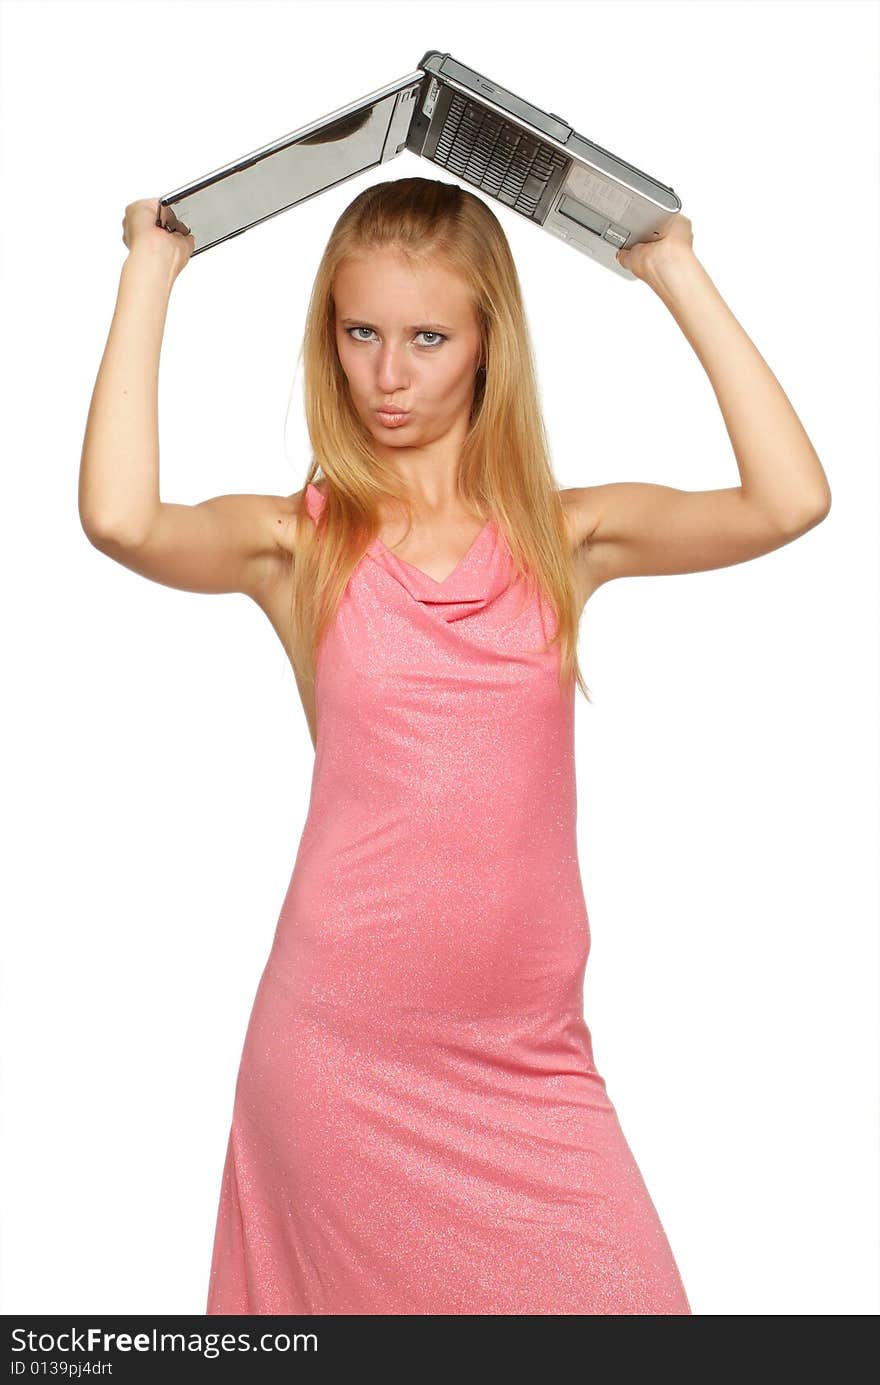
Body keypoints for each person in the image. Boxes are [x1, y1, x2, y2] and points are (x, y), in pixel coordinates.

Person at [79, 177, 831, 1315]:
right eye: (360, 333)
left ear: (488, 342)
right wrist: (152, 270)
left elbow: (788, 500)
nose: (388, 374)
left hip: (529, 1063)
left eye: (428, 336)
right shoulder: (298, 544)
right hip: (340, 1059)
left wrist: (670, 265)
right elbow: (121, 519)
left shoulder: (562, 533)